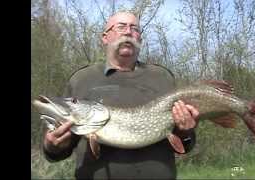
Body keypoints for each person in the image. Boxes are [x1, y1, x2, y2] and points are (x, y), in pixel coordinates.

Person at [42, 11, 200, 180]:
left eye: (134, 28)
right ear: (105, 37)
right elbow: (58, 150)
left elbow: (183, 143)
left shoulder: (163, 77)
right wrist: (52, 146)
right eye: (121, 27)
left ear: (140, 39)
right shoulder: (82, 79)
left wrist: (186, 132)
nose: (128, 32)